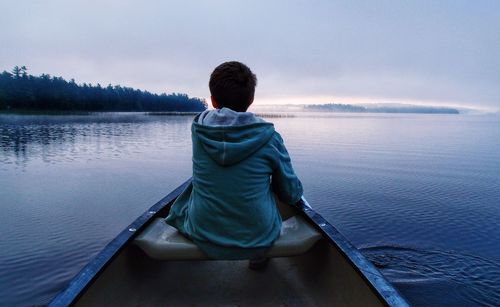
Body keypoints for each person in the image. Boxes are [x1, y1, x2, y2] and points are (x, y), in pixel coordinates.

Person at [166, 61, 303, 261]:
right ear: (251, 99)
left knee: (191, 190)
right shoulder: (270, 137)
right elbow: (290, 193)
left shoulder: (199, 130)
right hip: (259, 237)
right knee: (270, 187)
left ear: (212, 101)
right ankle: (257, 259)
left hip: (202, 233)